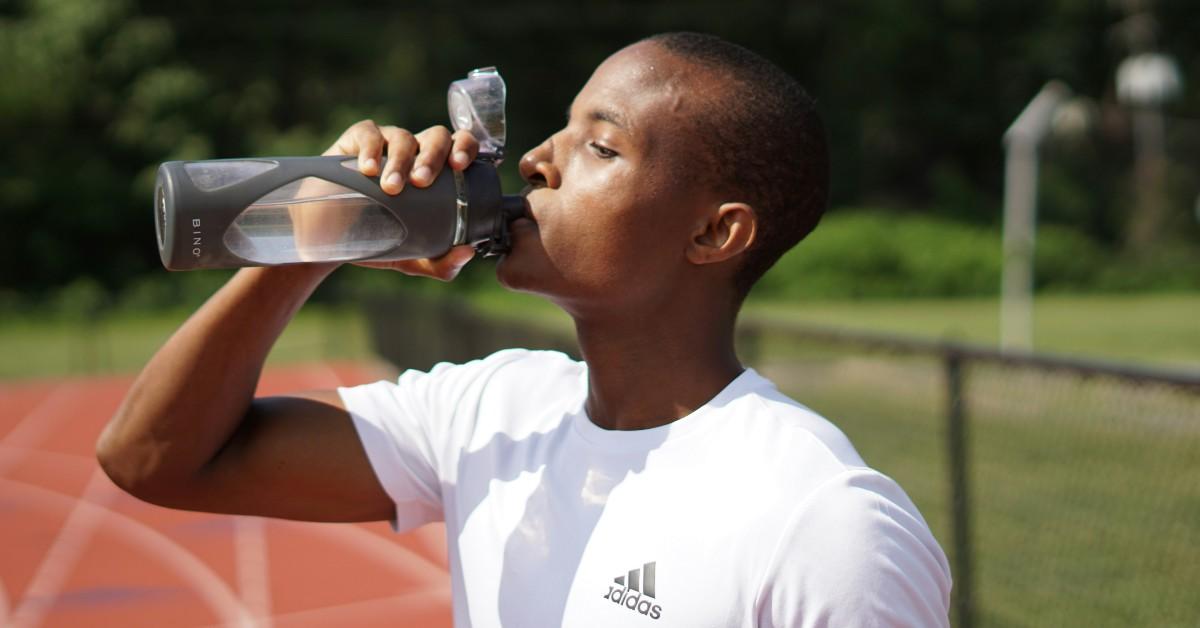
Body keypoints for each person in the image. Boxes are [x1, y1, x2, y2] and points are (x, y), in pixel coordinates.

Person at [98, 32, 951, 627]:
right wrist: (317, 227)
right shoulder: (495, 409)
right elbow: (152, 458)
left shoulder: (824, 522)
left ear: (712, 234)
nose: (539, 159)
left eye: (601, 148)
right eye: (560, 128)